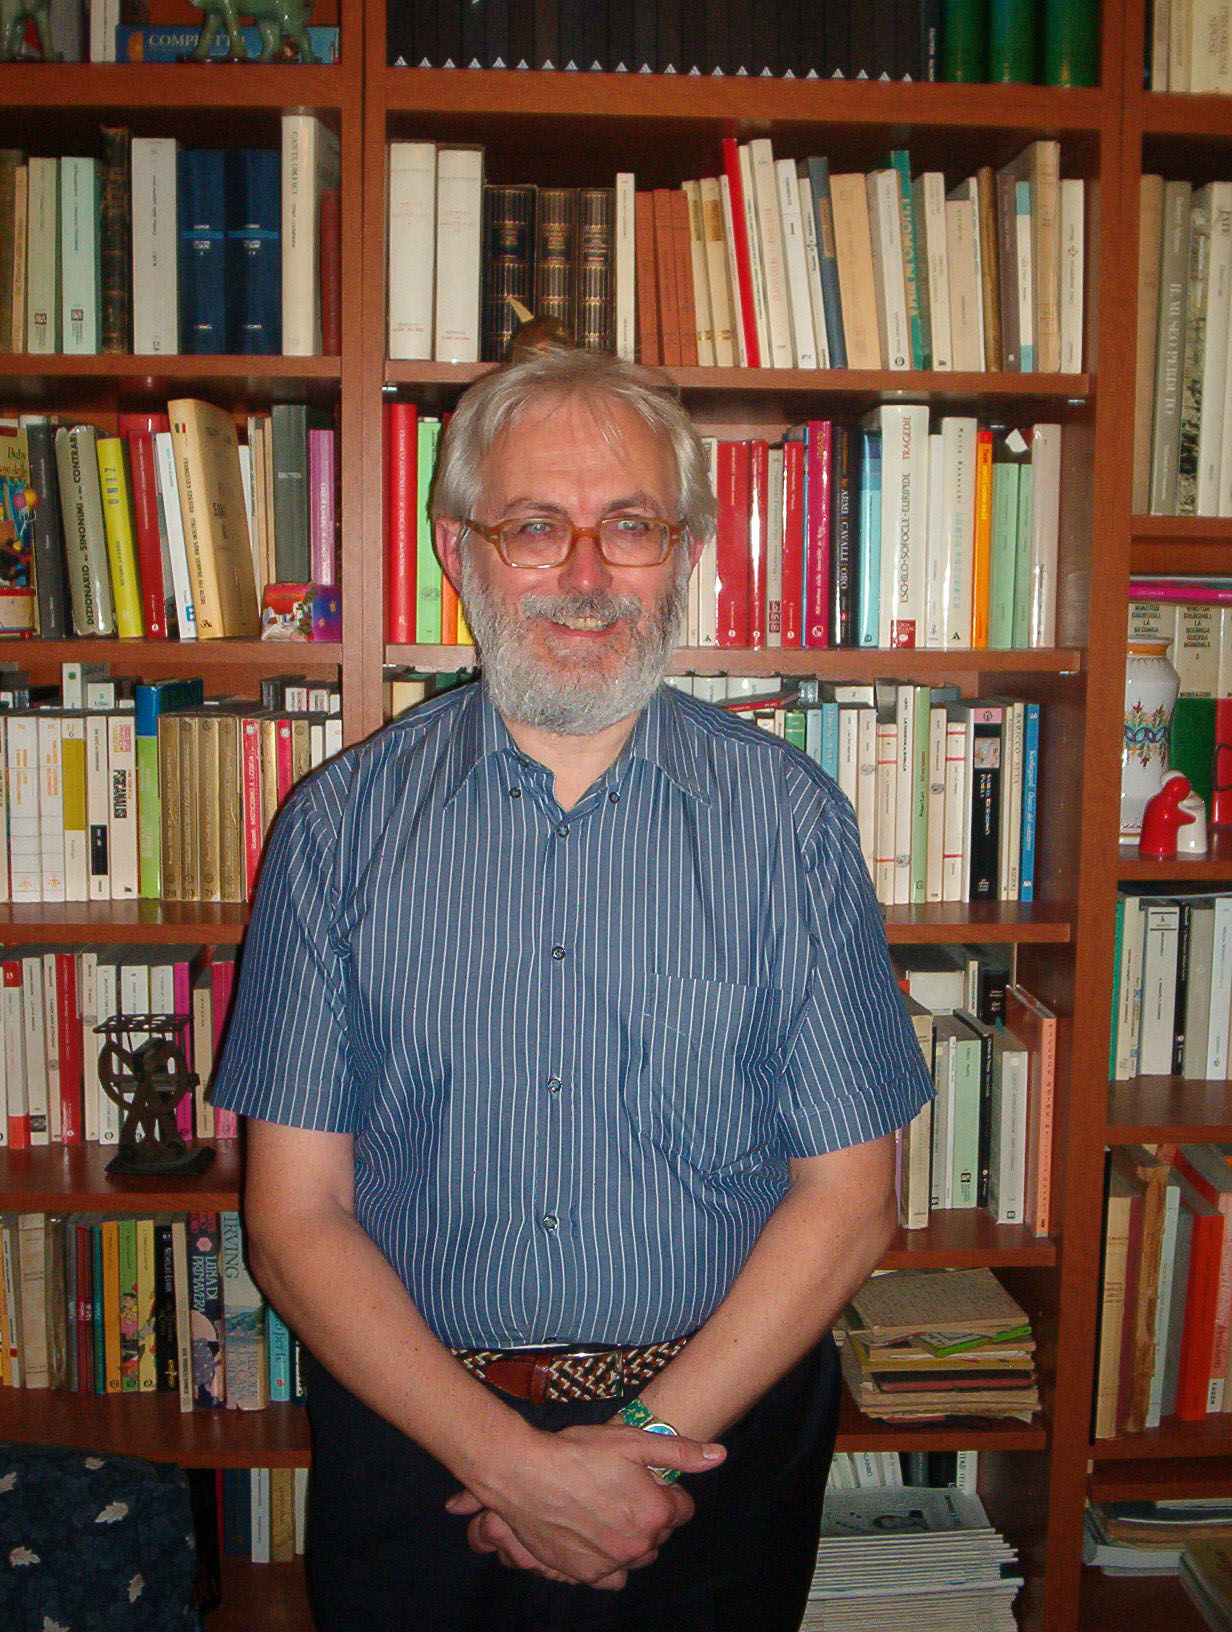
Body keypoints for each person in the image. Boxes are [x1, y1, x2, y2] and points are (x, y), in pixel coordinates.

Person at [212, 346, 934, 1632]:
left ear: (686, 551)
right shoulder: (335, 831)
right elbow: (293, 1218)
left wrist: (639, 1450)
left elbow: (848, 1200)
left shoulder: (788, 825)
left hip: (715, 1444)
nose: (587, 577)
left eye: (631, 526)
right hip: (418, 1447)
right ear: (458, 551)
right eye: (536, 527)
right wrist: (510, 1463)